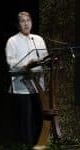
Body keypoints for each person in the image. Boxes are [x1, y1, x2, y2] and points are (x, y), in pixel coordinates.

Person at [5, 11, 48, 146]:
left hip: (38, 85)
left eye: (28, 20)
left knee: (39, 117)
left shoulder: (38, 39)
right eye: (22, 21)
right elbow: (11, 64)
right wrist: (27, 66)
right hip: (22, 86)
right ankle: (27, 145)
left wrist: (46, 61)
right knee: (26, 118)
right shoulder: (12, 41)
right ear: (18, 25)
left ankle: (39, 145)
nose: (26, 23)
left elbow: (45, 58)